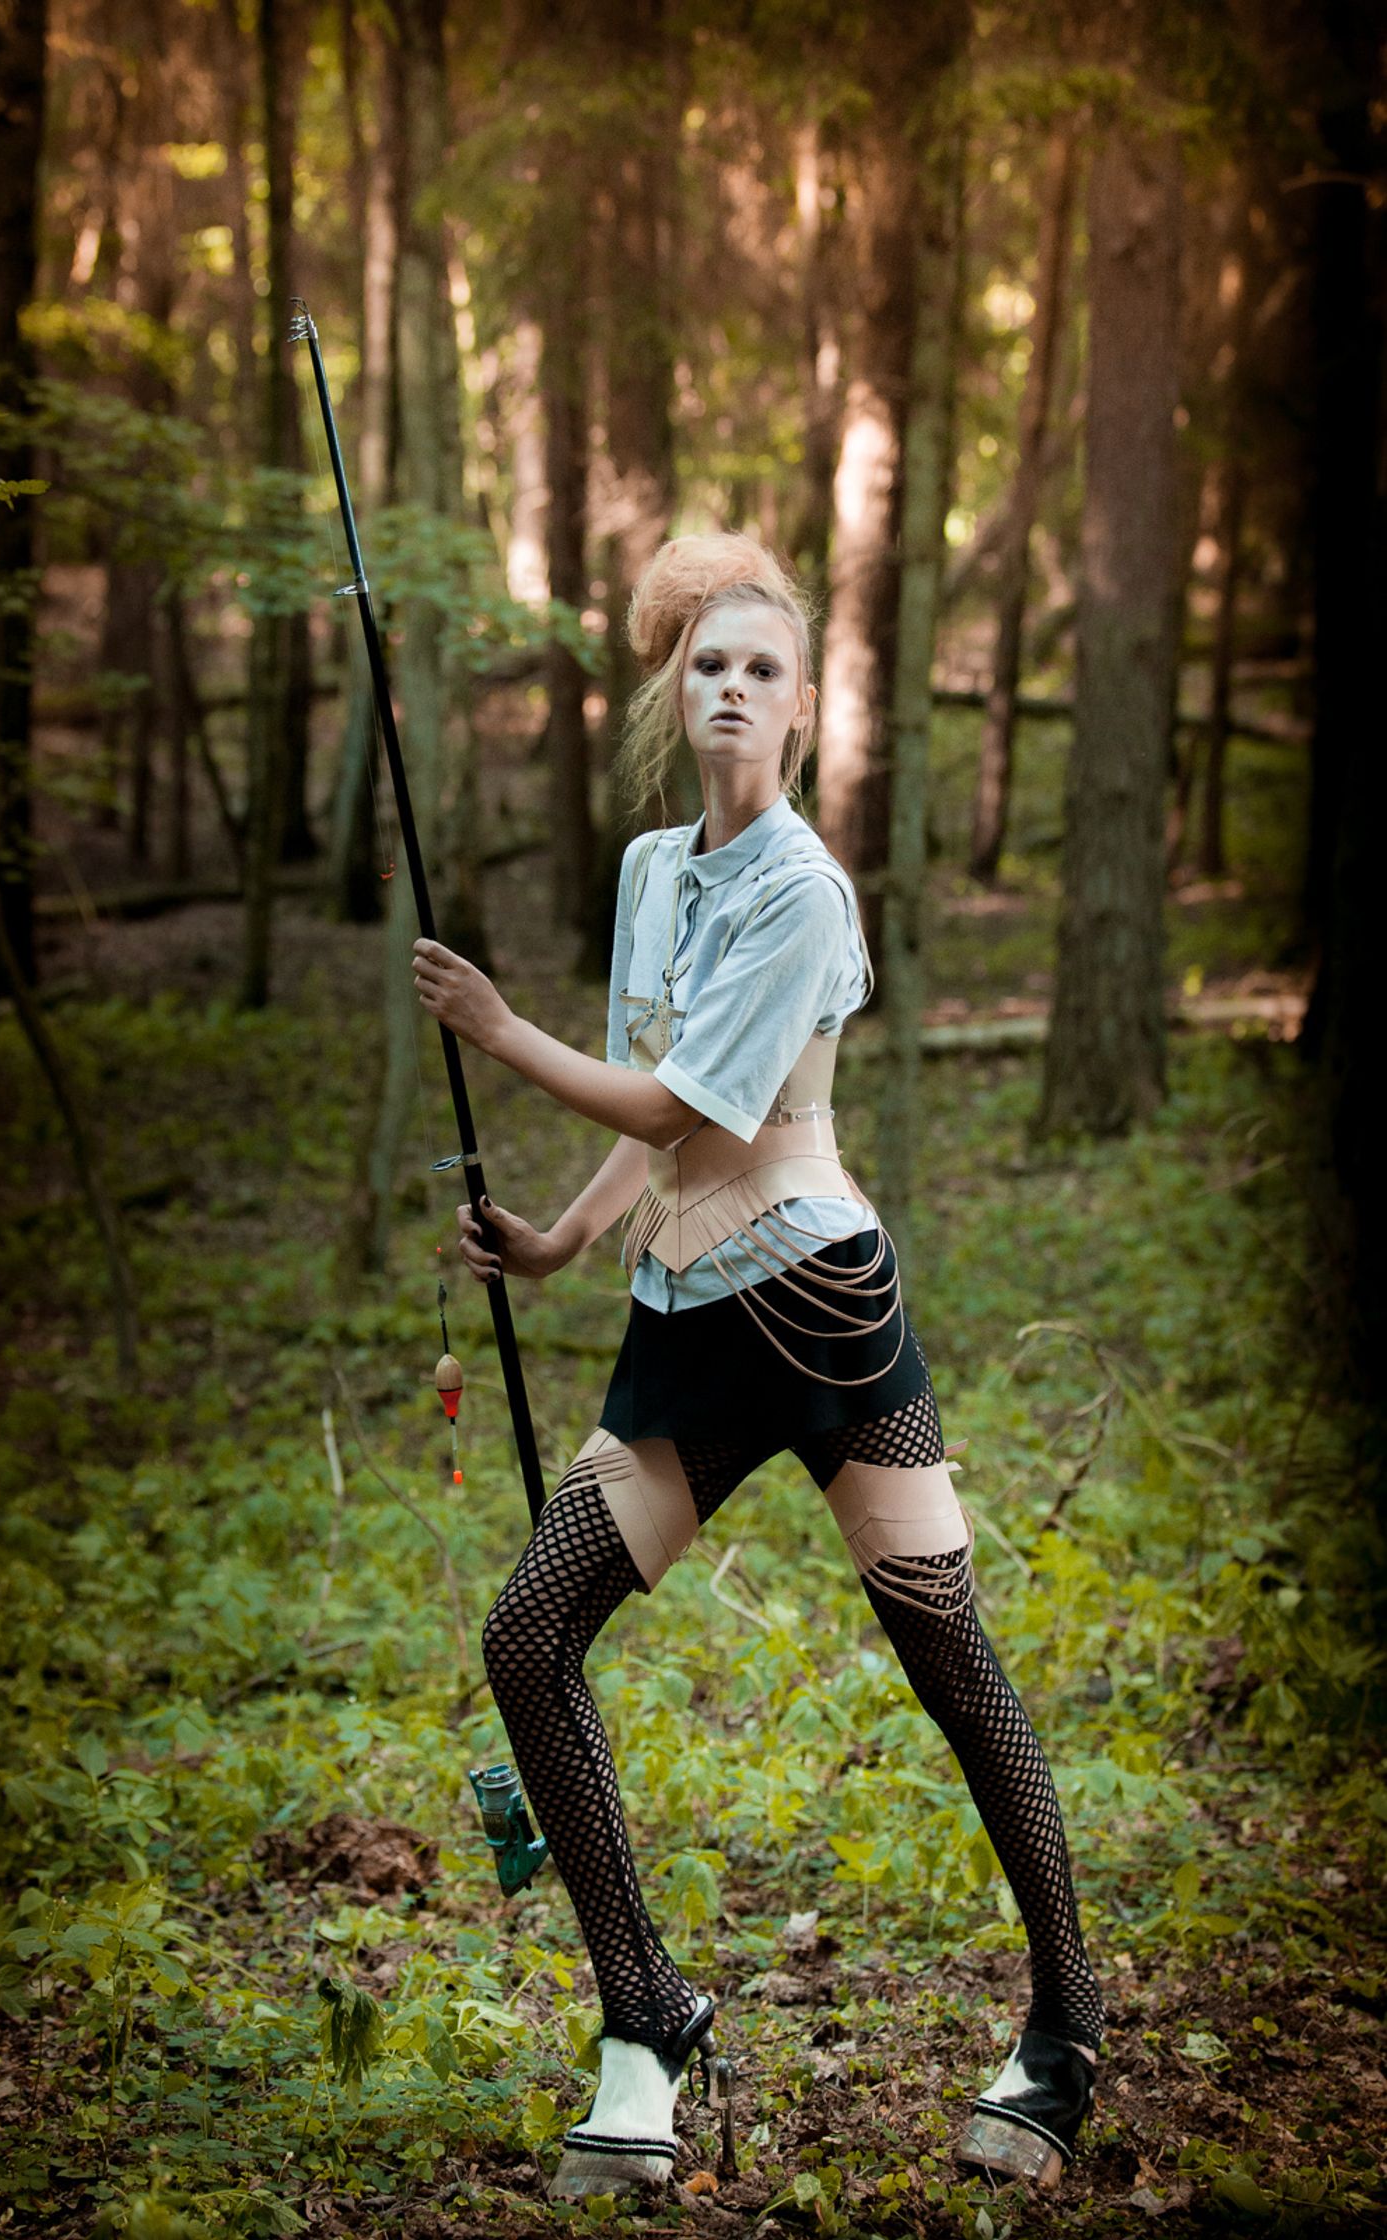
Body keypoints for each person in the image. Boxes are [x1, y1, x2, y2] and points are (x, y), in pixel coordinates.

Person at [411, 533, 1104, 2200]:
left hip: (822, 1317)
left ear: (801, 709)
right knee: (528, 1638)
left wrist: (500, 1033)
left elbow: (693, 1107)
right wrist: (562, 1241)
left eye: (761, 669)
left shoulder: (805, 892)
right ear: (675, 692)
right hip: (683, 1326)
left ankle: (1066, 2031)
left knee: (948, 1660)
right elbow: (649, 1097)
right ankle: (645, 2018)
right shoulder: (653, 870)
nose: (730, 688)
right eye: (706, 664)